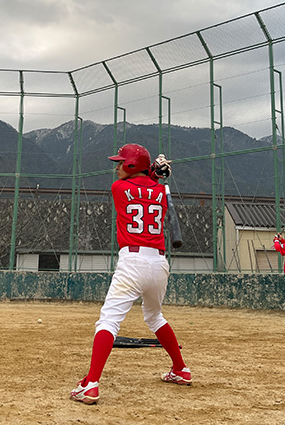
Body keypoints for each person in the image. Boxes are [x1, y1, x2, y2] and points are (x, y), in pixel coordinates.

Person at [70, 143, 191, 405]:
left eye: (121, 163)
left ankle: (90, 384)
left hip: (132, 261)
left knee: (108, 321)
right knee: (155, 316)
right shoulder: (160, 190)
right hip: (159, 263)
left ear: (132, 166)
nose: (117, 168)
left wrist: (154, 170)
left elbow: (140, 184)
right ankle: (181, 369)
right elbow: (149, 186)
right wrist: (157, 173)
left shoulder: (119, 188)